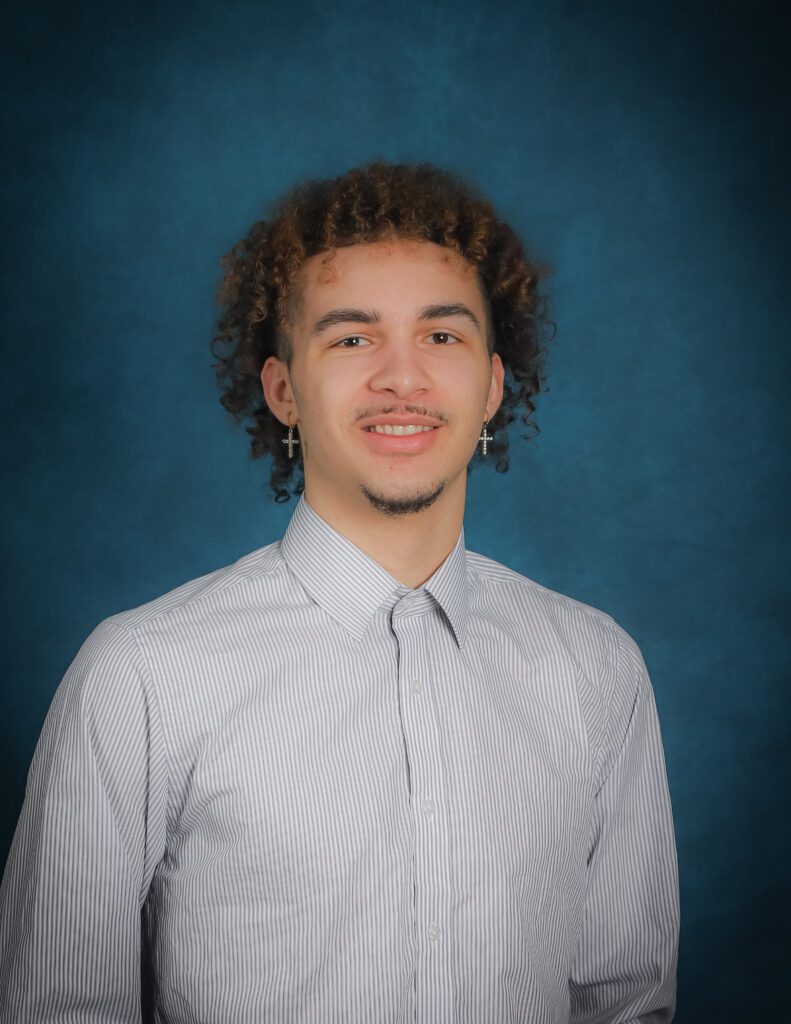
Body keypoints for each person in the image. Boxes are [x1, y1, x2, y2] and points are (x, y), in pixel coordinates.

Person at [0, 162, 679, 1023]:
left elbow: (626, 1004)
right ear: (283, 390)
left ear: (492, 387)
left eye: (442, 336)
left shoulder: (595, 669)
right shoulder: (139, 674)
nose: (402, 378)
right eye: (351, 338)